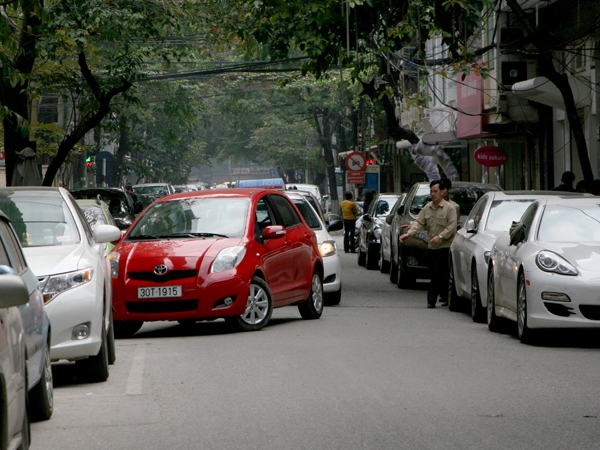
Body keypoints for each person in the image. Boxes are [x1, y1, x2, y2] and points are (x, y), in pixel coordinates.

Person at [399, 180, 458, 308]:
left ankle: (431, 300)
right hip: (431, 246)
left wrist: (440, 237)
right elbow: (419, 223)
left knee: (437, 272)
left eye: (435, 191)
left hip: (444, 246)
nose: (433, 194)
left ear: (442, 192)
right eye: (431, 191)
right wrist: (409, 234)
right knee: (436, 272)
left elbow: (451, 227)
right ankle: (445, 295)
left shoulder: (450, 208)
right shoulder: (427, 208)